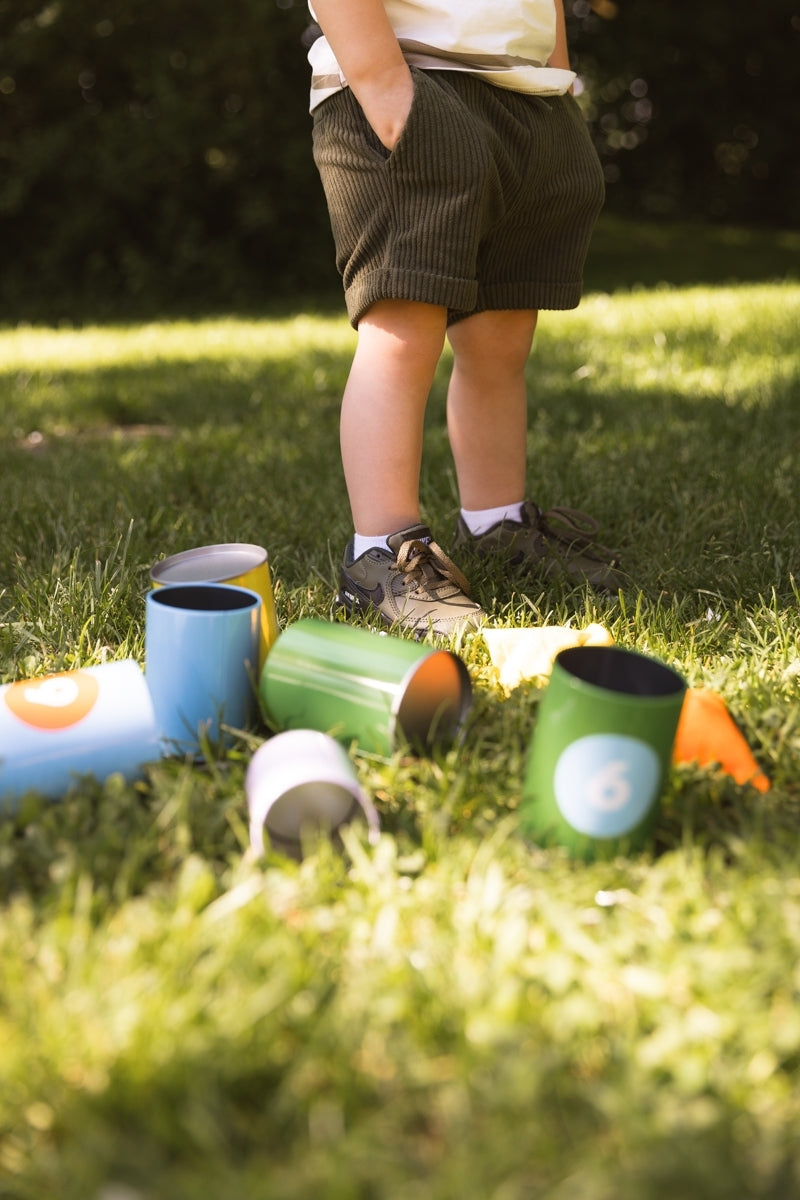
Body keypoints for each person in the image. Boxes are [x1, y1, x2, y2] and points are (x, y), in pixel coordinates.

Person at [305, 0, 622, 639]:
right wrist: (384, 86)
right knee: (402, 328)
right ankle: (380, 555)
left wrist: (556, 82)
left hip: (525, 94)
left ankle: (496, 523)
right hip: (407, 75)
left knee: (501, 334)